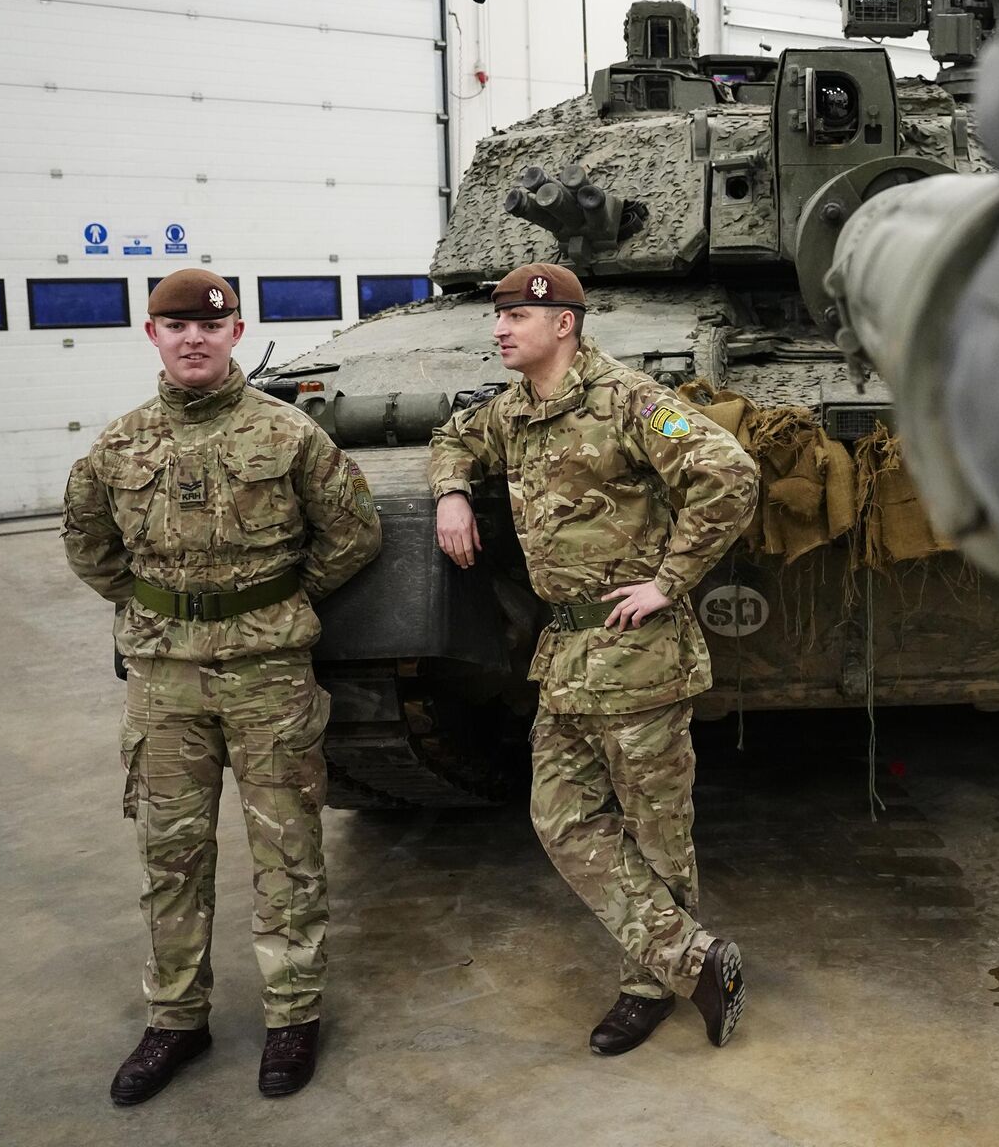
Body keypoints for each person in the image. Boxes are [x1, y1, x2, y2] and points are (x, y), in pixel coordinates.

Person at [62, 269, 382, 1105]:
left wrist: (279, 604)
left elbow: (354, 529)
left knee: (289, 852)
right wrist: (157, 612)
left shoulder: (290, 434)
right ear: (154, 336)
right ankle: (175, 1020)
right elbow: (90, 547)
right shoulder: (116, 446)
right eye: (176, 327)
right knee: (169, 854)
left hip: (269, 673)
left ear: (237, 333)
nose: (193, 339)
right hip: (163, 681)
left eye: (211, 326)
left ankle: (293, 1016)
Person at [428, 262, 759, 1056]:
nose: (499, 329)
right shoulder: (510, 412)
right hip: (567, 656)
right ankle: (695, 961)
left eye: (514, 318)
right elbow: (451, 437)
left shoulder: (634, 403)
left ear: (563, 325)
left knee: (656, 830)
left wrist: (668, 582)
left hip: (639, 652)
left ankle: (650, 987)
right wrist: (451, 492)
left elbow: (730, 474)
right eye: (497, 317)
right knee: (561, 817)